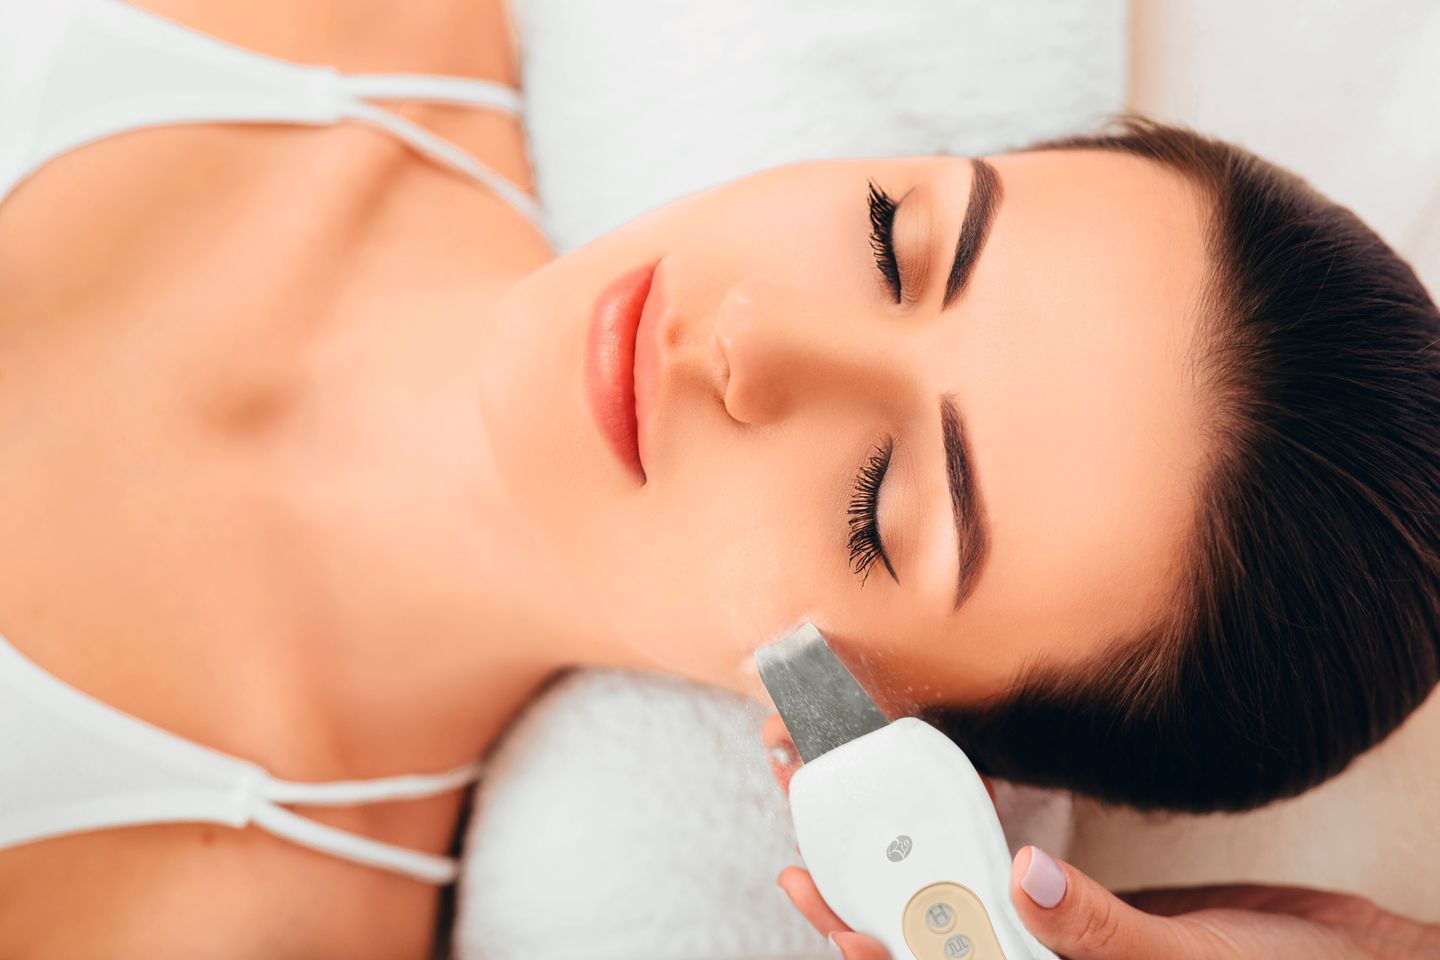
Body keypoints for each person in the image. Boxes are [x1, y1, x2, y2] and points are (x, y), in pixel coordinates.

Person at [0, 0, 1436, 957]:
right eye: (892, 239)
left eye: (880, 505)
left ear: (894, 742)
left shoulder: (203, 923)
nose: (750, 345)